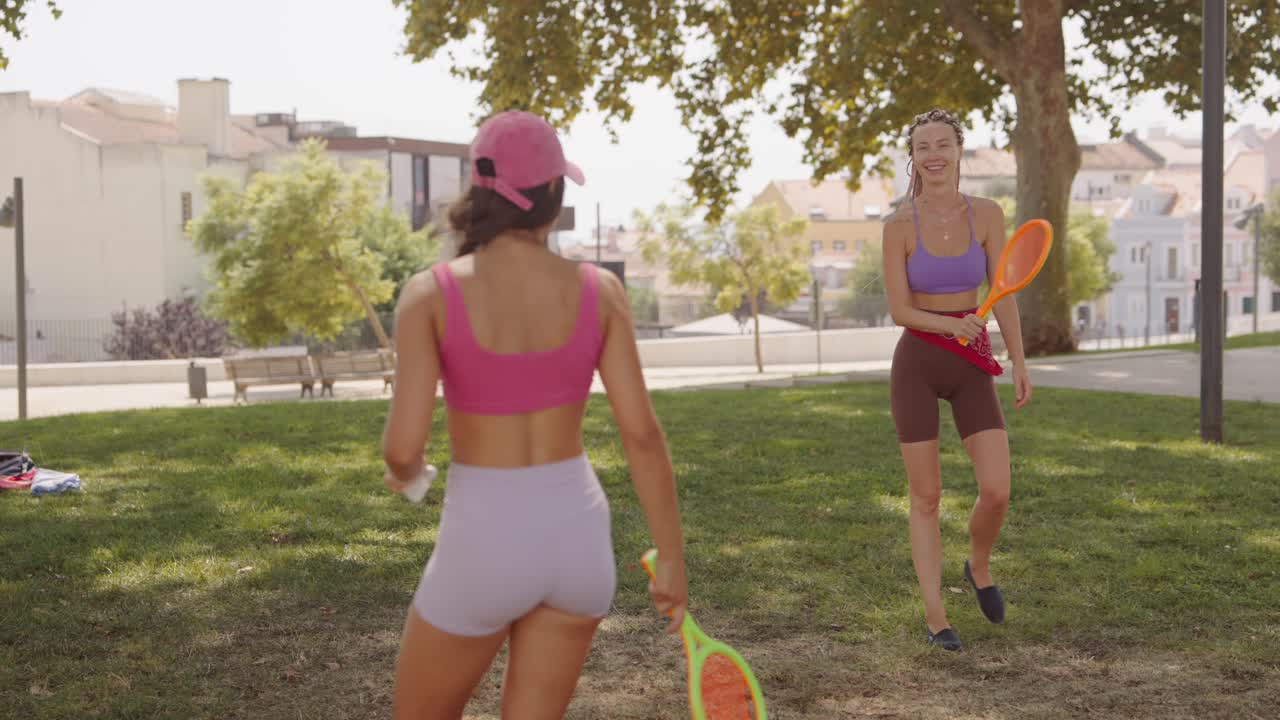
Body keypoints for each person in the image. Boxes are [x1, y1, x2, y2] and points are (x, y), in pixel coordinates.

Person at [380, 110, 688, 718]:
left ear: (479, 192)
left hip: (484, 539)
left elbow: (401, 447)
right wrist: (671, 556)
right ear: (553, 194)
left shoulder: (430, 294)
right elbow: (642, 436)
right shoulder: (600, 290)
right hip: (577, 539)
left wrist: (411, 476)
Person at [881, 108, 1033, 651]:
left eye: (942, 144)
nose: (933, 155)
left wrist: (1018, 359)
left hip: (972, 364)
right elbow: (900, 310)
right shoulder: (899, 225)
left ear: (960, 150)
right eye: (923, 147)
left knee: (996, 488)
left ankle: (979, 564)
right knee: (926, 497)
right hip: (918, 362)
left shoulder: (987, 214)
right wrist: (949, 323)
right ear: (913, 157)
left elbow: (1005, 290)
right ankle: (937, 616)